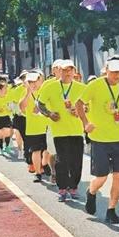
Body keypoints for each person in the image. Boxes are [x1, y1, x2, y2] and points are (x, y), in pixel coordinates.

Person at [76, 58, 119, 223]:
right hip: (99, 139)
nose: (117, 75)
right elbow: (79, 104)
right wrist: (85, 123)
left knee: (118, 176)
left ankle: (112, 210)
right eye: (114, 72)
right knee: (102, 177)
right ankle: (91, 192)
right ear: (106, 70)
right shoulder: (95, 85)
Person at [38, 59, 86, 202]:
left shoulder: (82, 88)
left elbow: (89, 106)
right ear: (59, 71)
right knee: (62, 161)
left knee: (76, 161)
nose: (68, 73)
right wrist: (49, 114)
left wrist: (80, 111)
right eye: (65, 70)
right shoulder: (50, 87)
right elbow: (40, 104)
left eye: (70, 70)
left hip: (77, 130)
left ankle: (74, 187)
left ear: (74, 72)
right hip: (59, 130)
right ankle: (62, 188)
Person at [19, 71, 49, 184]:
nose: (34, 84)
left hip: (48, 126)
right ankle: (38, 173)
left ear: (41, 80)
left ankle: (44, 163)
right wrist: (28, 93)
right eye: (31, 82)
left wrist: (42, 109)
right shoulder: (25, 93)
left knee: (48, 150)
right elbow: (22, 107)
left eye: (36, 81)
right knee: (36, 151)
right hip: (33, 128)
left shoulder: (46, 90)